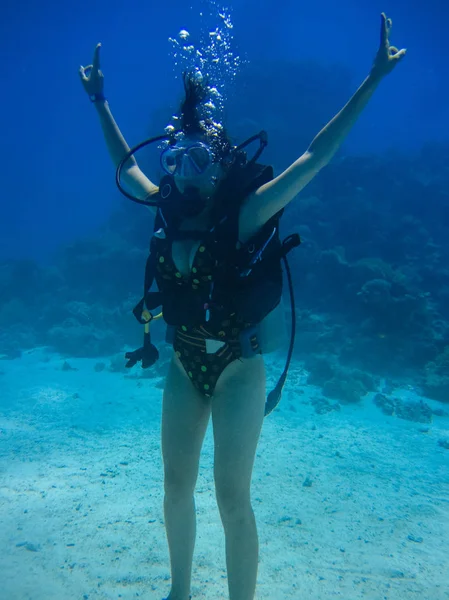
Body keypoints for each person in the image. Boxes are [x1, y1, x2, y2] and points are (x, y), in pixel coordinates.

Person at [79, 13, 405, 600]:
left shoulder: (246, 213)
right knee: (175, 488)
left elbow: (315, 157)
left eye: (198, 158)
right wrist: (100, 101)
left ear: (223, 162)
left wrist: (374, 78)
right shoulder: (164, 208)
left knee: (232, 495)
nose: (181, 169)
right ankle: (179, 592)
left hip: (237, 367)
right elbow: (125, 166)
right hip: (182, 362)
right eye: (176, 158)